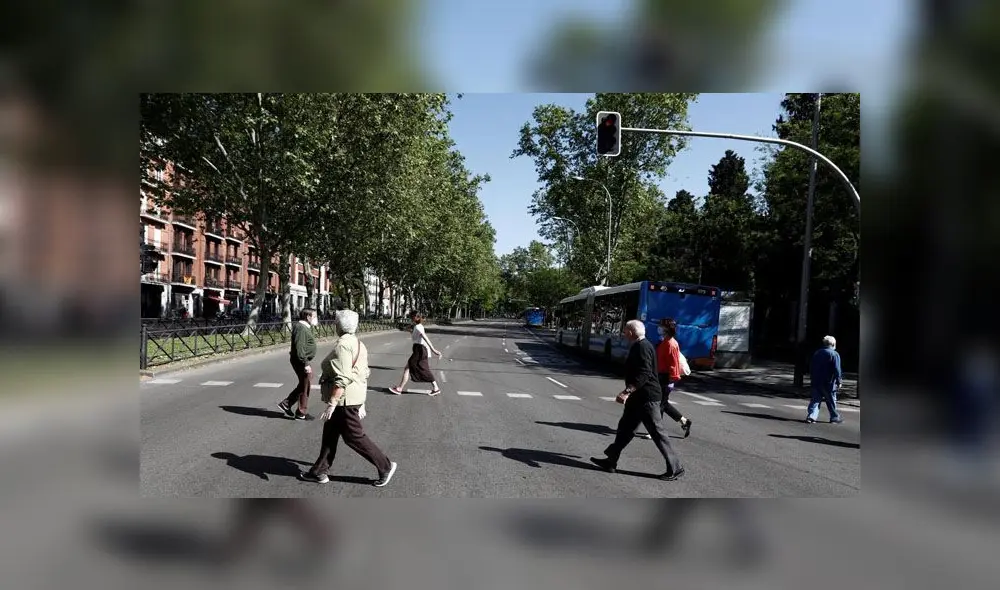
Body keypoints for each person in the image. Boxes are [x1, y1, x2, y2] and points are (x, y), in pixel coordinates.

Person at [300, 309, 398, 487]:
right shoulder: (358, 343)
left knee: (354, 437)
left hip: (344, 400)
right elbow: (364, 374)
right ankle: (319, 471)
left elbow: (343, 377)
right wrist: (362, 402)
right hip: (351, 398)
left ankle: (385, 466)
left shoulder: (343, 345)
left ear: (339, 325)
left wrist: (332, 403)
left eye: (335, 321)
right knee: (330, 434)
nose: (334, 324)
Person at [591, 319, 685, 481]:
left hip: (647, 397)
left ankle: (676, 468)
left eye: (625, 330)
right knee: (625, 429)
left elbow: (645, 373)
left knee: (657, 433)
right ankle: (611, 460)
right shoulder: (642, 345)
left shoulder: (642, 347)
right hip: (638, 397)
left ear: (631, 332)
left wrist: (627, 391)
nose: (623, 333)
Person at [389, 312, 443, 396]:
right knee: (411, 368)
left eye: (411, 317)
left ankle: (399, 389)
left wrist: (434, 350)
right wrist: (409, 331)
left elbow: (425, 338)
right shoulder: (418, 326)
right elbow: (417, 337)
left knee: (421, 369)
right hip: (418, 349)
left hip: (420, 350)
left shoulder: (418, 327)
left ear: (415, 317)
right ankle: (400, 388)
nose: (410, 318)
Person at [278, 308, 318, 420]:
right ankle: (299, 411)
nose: (316, 319)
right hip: (300, 360)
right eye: (314, 316)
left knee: (305, 384)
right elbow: (300, 347)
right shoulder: (301, 328)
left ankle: (289, 405)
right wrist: (305, 363)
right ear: (308, 317)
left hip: (301, 360)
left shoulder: (304, 327)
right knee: (305, 385)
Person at [656, 318, 692, 437]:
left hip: (666, 377)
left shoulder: (670, 343)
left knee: (658, 404)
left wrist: (672, 378)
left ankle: (656, 430)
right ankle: (684, 421)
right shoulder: (665, 341)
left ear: (666, 329)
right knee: (663, 403)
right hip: (661, 375)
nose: (659, 328)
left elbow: (673, 363)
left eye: (661, 326)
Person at [807, 335, 843, 424]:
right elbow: (837, 369)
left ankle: (811, 416)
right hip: (829, 382)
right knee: (831, 400)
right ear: (833, 344)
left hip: (816, 381)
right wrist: (839, 381)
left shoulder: (817, 353)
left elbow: (811, 366)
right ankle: (834, 417)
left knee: (815, 400)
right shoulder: (834, 354)